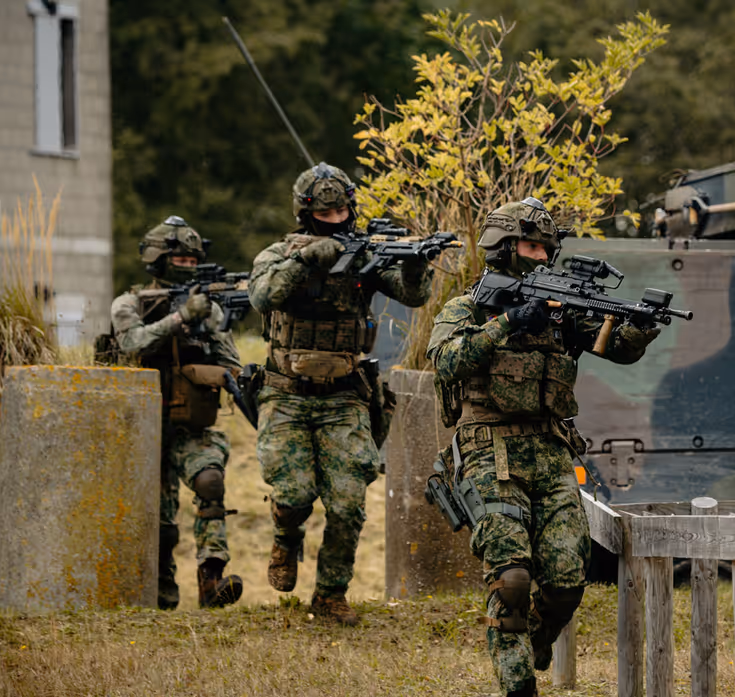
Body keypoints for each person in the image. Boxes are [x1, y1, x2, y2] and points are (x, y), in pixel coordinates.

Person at [427, 197, 662, 697]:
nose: (540, 256)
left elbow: (613, 347)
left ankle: (531, 640)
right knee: (511, 578)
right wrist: (508, 323)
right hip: (488, 450)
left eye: (545, 249)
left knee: (567, 579)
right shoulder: (467, 307)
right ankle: (518, 684)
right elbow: (446, 361)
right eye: (531, 247)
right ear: (504, 246)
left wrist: (639, 327)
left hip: (551, 450)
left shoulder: (560, 313)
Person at [248, 162, 433, 626]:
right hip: (285, 394)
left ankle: (330, 595)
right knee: (294, 492)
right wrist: (307, 259)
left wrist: (415, 266)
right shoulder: (278, 254)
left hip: (345, 396)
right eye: (325, 213)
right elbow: (263, 296)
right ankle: (286, 538)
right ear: (306, 213)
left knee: (348, 502)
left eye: (342, 211)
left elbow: (412, 296)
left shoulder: (365, 254)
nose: (336, 219)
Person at [109, 215, 244, 610]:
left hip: (191, 423)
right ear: (157, 259)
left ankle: (211, 580)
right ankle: (160, 596)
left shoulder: (208, 309)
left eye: (192, 260)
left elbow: (231, 362)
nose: (187, 266)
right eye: (179, 259)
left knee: (210, 482)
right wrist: (181, 317)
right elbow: (132, 343)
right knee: (158, 519)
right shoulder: (129, 303)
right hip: (141, 427)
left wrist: (210, 332)